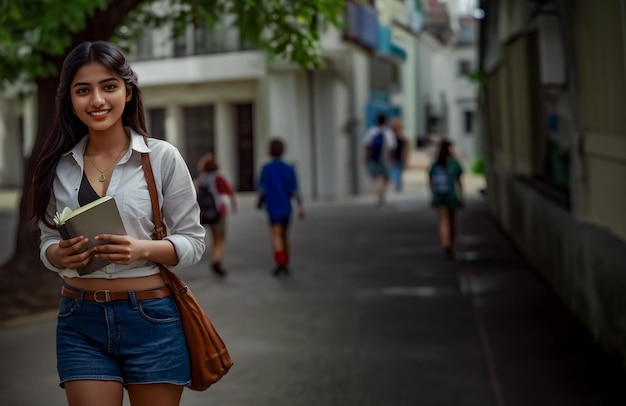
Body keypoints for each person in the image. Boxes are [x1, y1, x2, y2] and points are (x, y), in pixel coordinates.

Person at [31, 41, 205, 406]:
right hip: (81, 318)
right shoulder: (57, 167)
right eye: (83, 90)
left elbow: (193, 241)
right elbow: (47, 241)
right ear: (69, 100)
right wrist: (61, 255)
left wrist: (141, 249)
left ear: (127, 91)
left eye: (108, 86)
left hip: (152, 316)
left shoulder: (161, 157)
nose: (97, 100)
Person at [256, 138, 304, 277]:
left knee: (276, 234)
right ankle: (286, 261)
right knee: (285, 235)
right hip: (286, 207)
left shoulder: (266, 168)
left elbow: (262, 188)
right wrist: (300, 207)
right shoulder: (289, 168)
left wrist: (260, 201)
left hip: (273, 206)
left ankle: (280, 262)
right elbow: (295, 190)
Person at [195, 153, 237, 277]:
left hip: (207, 213)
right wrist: (233, 204)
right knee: (220, 238)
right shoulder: (219, 178)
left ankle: (215, 257)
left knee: (214, 237)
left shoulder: (201, 179)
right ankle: (217, 260)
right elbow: (229, 191)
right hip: (219, 212)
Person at [428, 139, 464, 259]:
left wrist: (433, 192)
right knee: (452, 221)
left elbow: (430, 180)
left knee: (442, 222)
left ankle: (445, 243)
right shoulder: (454, 164)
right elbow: (459, 182)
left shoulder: (435, 164)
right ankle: (451, 243)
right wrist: (462, 196)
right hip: (451, 196)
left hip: (439, 196)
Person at [363, 113, 397, 205]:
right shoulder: (388, 132)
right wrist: (392, 159)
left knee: (375, 177)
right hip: (385, 158)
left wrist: (366, 158)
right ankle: (381, 193)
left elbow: (367, 146)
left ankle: (376, 194)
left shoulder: (371, 131)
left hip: (374, 158)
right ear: (385, 121)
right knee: (387, 178)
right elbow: (392, 147)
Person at [389, 117, 409, 192]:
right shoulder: (402, 135)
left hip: (397, 156)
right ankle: (398, 185)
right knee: (397, 172)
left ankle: (397, 185)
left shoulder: (393, 135)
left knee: (396, 171)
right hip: (398, 156)